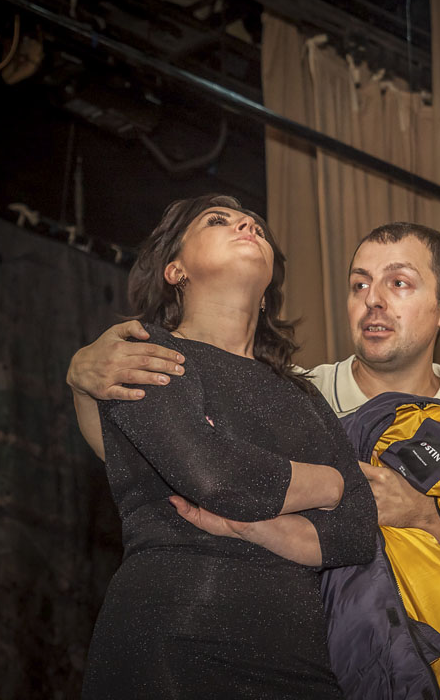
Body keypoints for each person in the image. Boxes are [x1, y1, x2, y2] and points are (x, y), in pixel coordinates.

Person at [69, 222, 440, 616]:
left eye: (399, 283)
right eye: (360, 284)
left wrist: (425, 516)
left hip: (436, 663)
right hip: (314, 650)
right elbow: (158, 463)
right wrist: (82, 381)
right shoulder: (301, 394)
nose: (373, 300)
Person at [75, 194, 376, 699]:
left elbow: (358, 532)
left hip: (299, 658)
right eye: (219, 221)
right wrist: (329, 484)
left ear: (268, 289)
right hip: (173, 640)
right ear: (176, 270)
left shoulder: (304, 395)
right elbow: (216, 478)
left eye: (256, 226)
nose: (247, 226)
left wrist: (251, 526)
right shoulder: (146, 351)